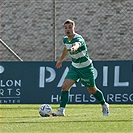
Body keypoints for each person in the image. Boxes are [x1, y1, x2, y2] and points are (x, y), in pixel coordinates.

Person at [52, 19, 109, 116]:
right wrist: (61, 60)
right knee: (65, 87)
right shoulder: (65, 39)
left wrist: (74, 47)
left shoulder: (79, 39)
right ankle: (61, 110)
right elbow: (66, 48)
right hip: (74, 67)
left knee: (92, 90)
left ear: (74, 28)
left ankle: (104, 105)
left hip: (86, 68)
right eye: (66, 28)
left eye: (70, 27)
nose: (68, 29)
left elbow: (77, 44)